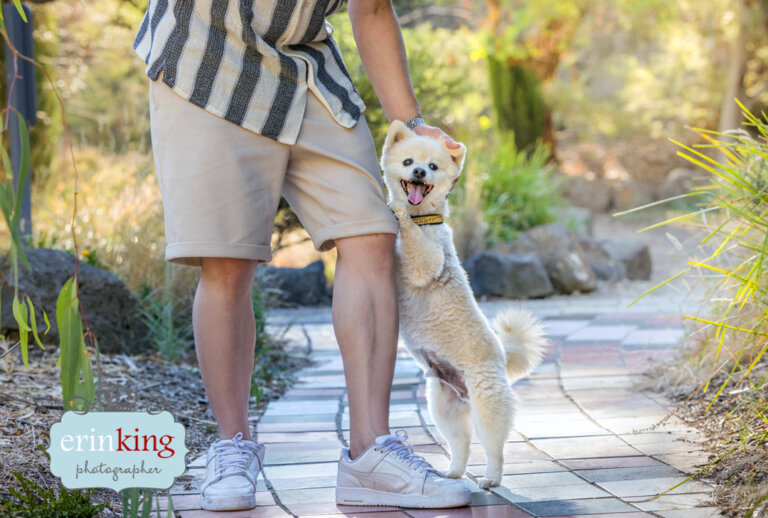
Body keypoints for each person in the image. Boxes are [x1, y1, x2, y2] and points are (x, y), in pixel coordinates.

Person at [133, 0, 472, 511]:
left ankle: (370, 453)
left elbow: (372, 6)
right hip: (205, 60)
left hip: (307, 68)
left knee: (371, 235)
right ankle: (232, 445)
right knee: (227, 259)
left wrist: (412, 123)